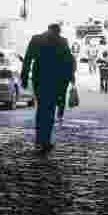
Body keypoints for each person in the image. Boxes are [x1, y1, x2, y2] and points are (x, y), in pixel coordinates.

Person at [21, 23, 76, 152]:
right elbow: (68, 62)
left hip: (39, 80)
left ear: (48, 29)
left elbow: (28, 59)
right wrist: (70, 79)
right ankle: (45, 141)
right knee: (50, 110)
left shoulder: (36, 39)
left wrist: (24, 77)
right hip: (55, 81)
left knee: (41, 109)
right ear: (58, 31)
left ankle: (39, 140)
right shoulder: (62, 41)